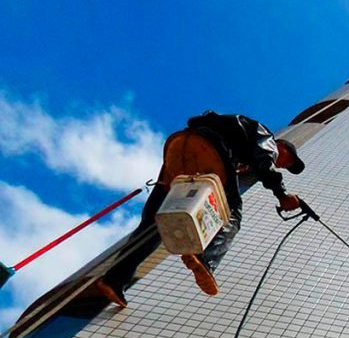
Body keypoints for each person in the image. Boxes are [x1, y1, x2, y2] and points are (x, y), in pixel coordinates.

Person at [96, 111, 306, 306]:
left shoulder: (239, 140)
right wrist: (282, 194)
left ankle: (114, 280)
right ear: (281, 146)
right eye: (287, 160)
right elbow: (264, 161)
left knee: (156, 224)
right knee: (231, 211)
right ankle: (206, 259)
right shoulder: (267, 139)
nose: (282, 164)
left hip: (181, 147)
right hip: (211, 149)